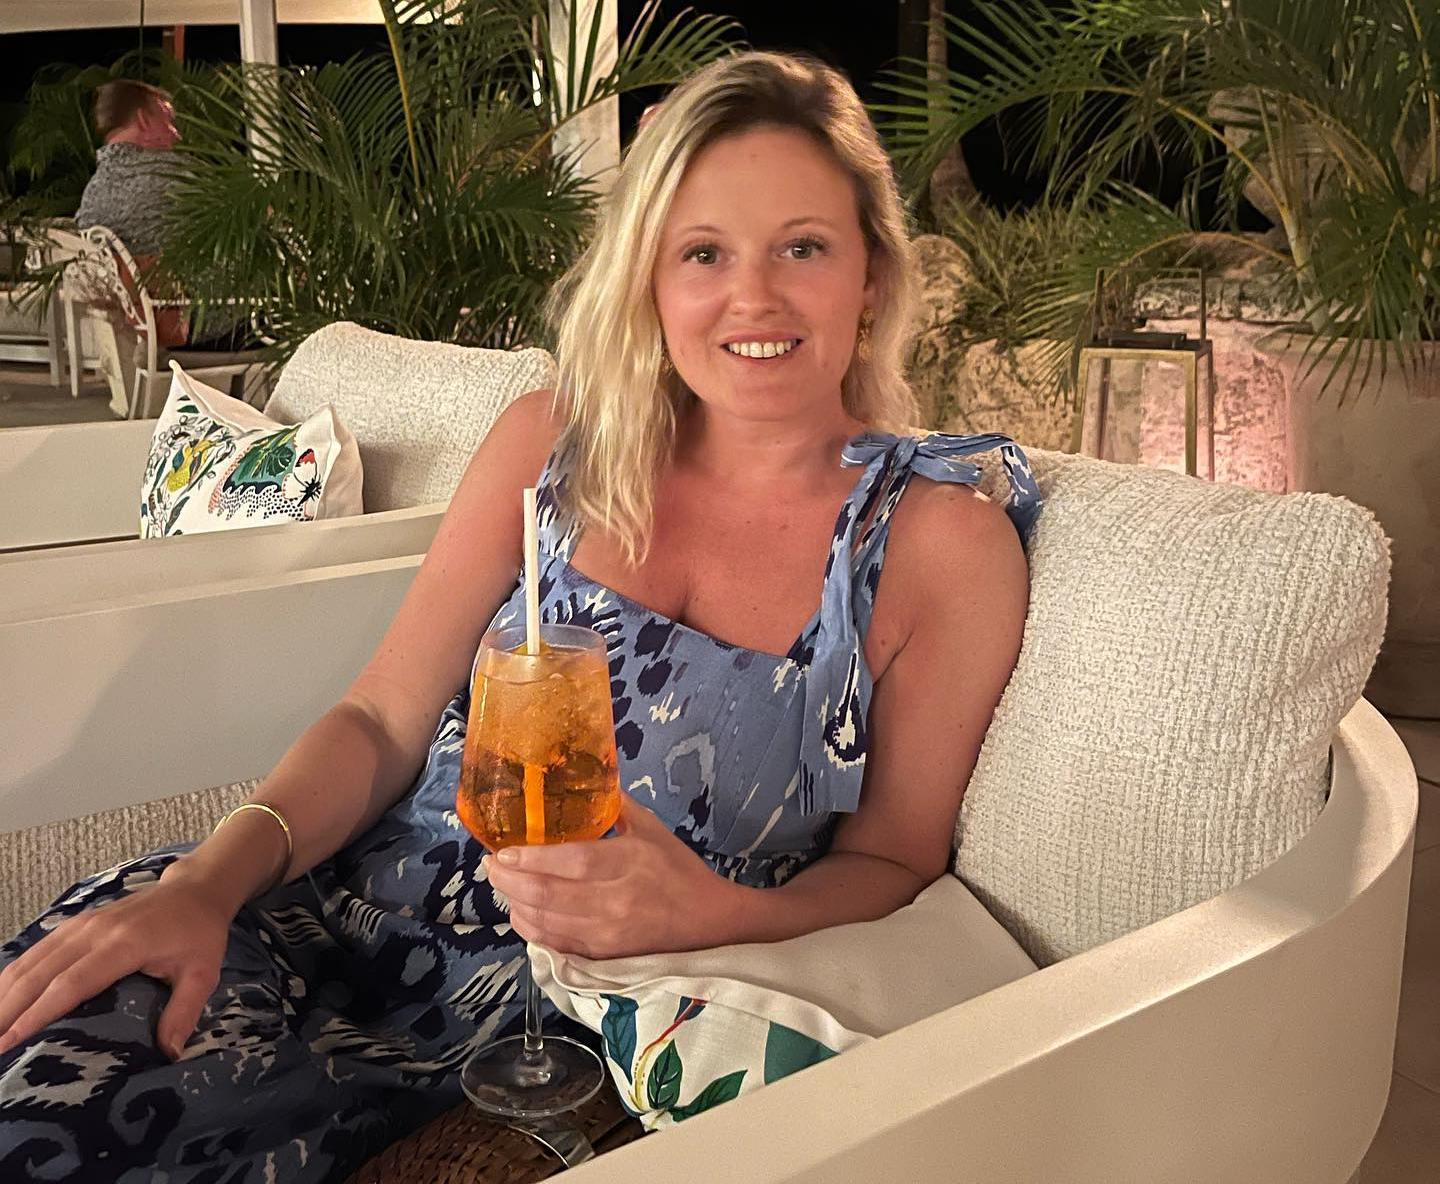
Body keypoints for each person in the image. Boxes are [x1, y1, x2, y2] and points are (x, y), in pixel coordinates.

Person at [0, 51, 1041, 1183]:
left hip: (556, 1034)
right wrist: (205, 880)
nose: (754, 297)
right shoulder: (556, 448)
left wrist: (712, 910)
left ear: (874, 275)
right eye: (703, 253)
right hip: (308, 918)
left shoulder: (936, 543)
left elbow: (896, 856)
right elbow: (384, 717)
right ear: (649, 277)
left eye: (803, 246)